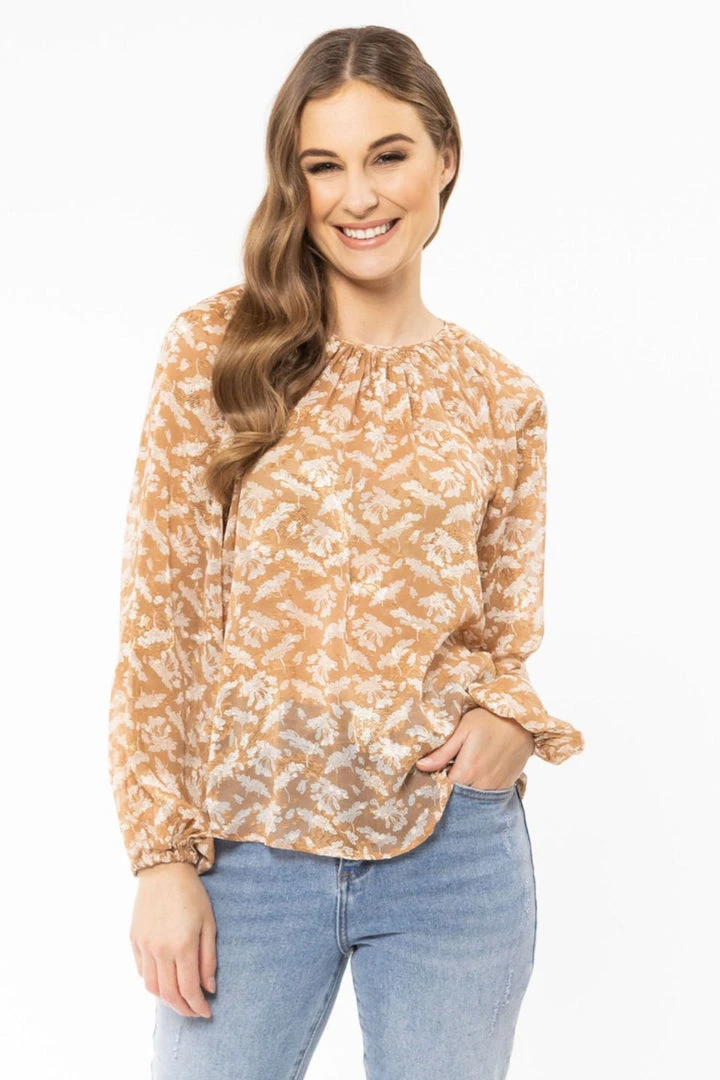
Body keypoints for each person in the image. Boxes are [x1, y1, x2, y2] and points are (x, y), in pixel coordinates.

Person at [107, 24, 585, 1080]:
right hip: (246, 855)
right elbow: (161, 623)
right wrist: (161, 859)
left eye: (389, 155)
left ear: (445, 157)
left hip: (452, 857)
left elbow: (503, 632)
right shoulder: (218, 353)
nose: (358, 196)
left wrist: (507, 719)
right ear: (295, 181)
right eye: (324, 165)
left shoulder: (502, 399)